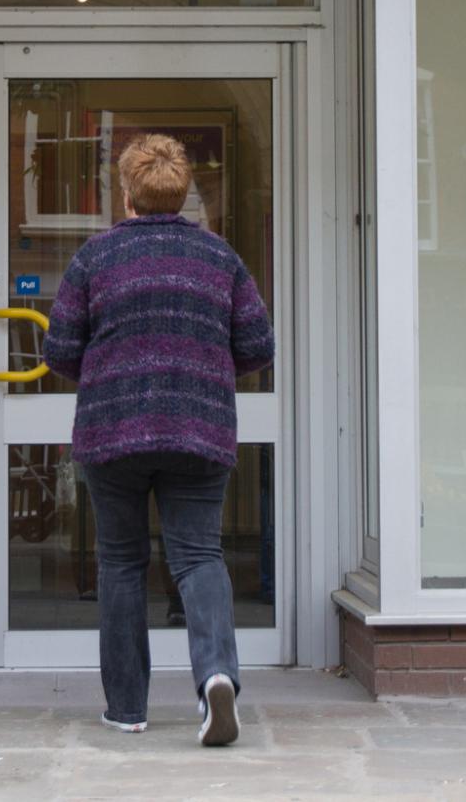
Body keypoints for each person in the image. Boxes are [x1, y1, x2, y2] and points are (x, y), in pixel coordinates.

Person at [45, 133, 274, 746]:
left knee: (121, 563)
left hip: (112, 432)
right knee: (199, 557)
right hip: (198, 429)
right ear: (183, 192)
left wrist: (111, 365)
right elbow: (258, 346)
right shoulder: (219, 258)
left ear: (126, 194)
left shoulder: (95, 259)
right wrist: (199, 363)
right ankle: (218, 677)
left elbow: (60, 352)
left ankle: (126, 709)